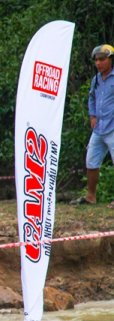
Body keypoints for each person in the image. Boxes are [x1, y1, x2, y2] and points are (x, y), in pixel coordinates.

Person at [71, 44, 114, 207]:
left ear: (110, 60)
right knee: (91, 161)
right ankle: (90, 196)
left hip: (112, 127)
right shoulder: (96, 79)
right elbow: (92, 98)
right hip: (99, 128)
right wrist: (92, 115)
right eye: (96, 60)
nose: (98, 63)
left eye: (102, 60)